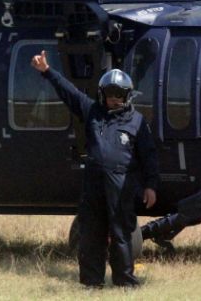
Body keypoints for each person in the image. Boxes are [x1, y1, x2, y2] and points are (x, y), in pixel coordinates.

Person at [31, 50, 159, 288]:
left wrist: (151, 185)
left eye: (119, 94)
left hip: (121, 186)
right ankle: (92, 282)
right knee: (90, 233)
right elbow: (70, 92)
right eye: (110, 94)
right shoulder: (92, 112)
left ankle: (125, 282)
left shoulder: (137, 122)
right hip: (93, 185)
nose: (114, 99)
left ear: (127, 95)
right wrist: (47, 71)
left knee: (121, 234)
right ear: (102, 94)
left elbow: (149, 156)